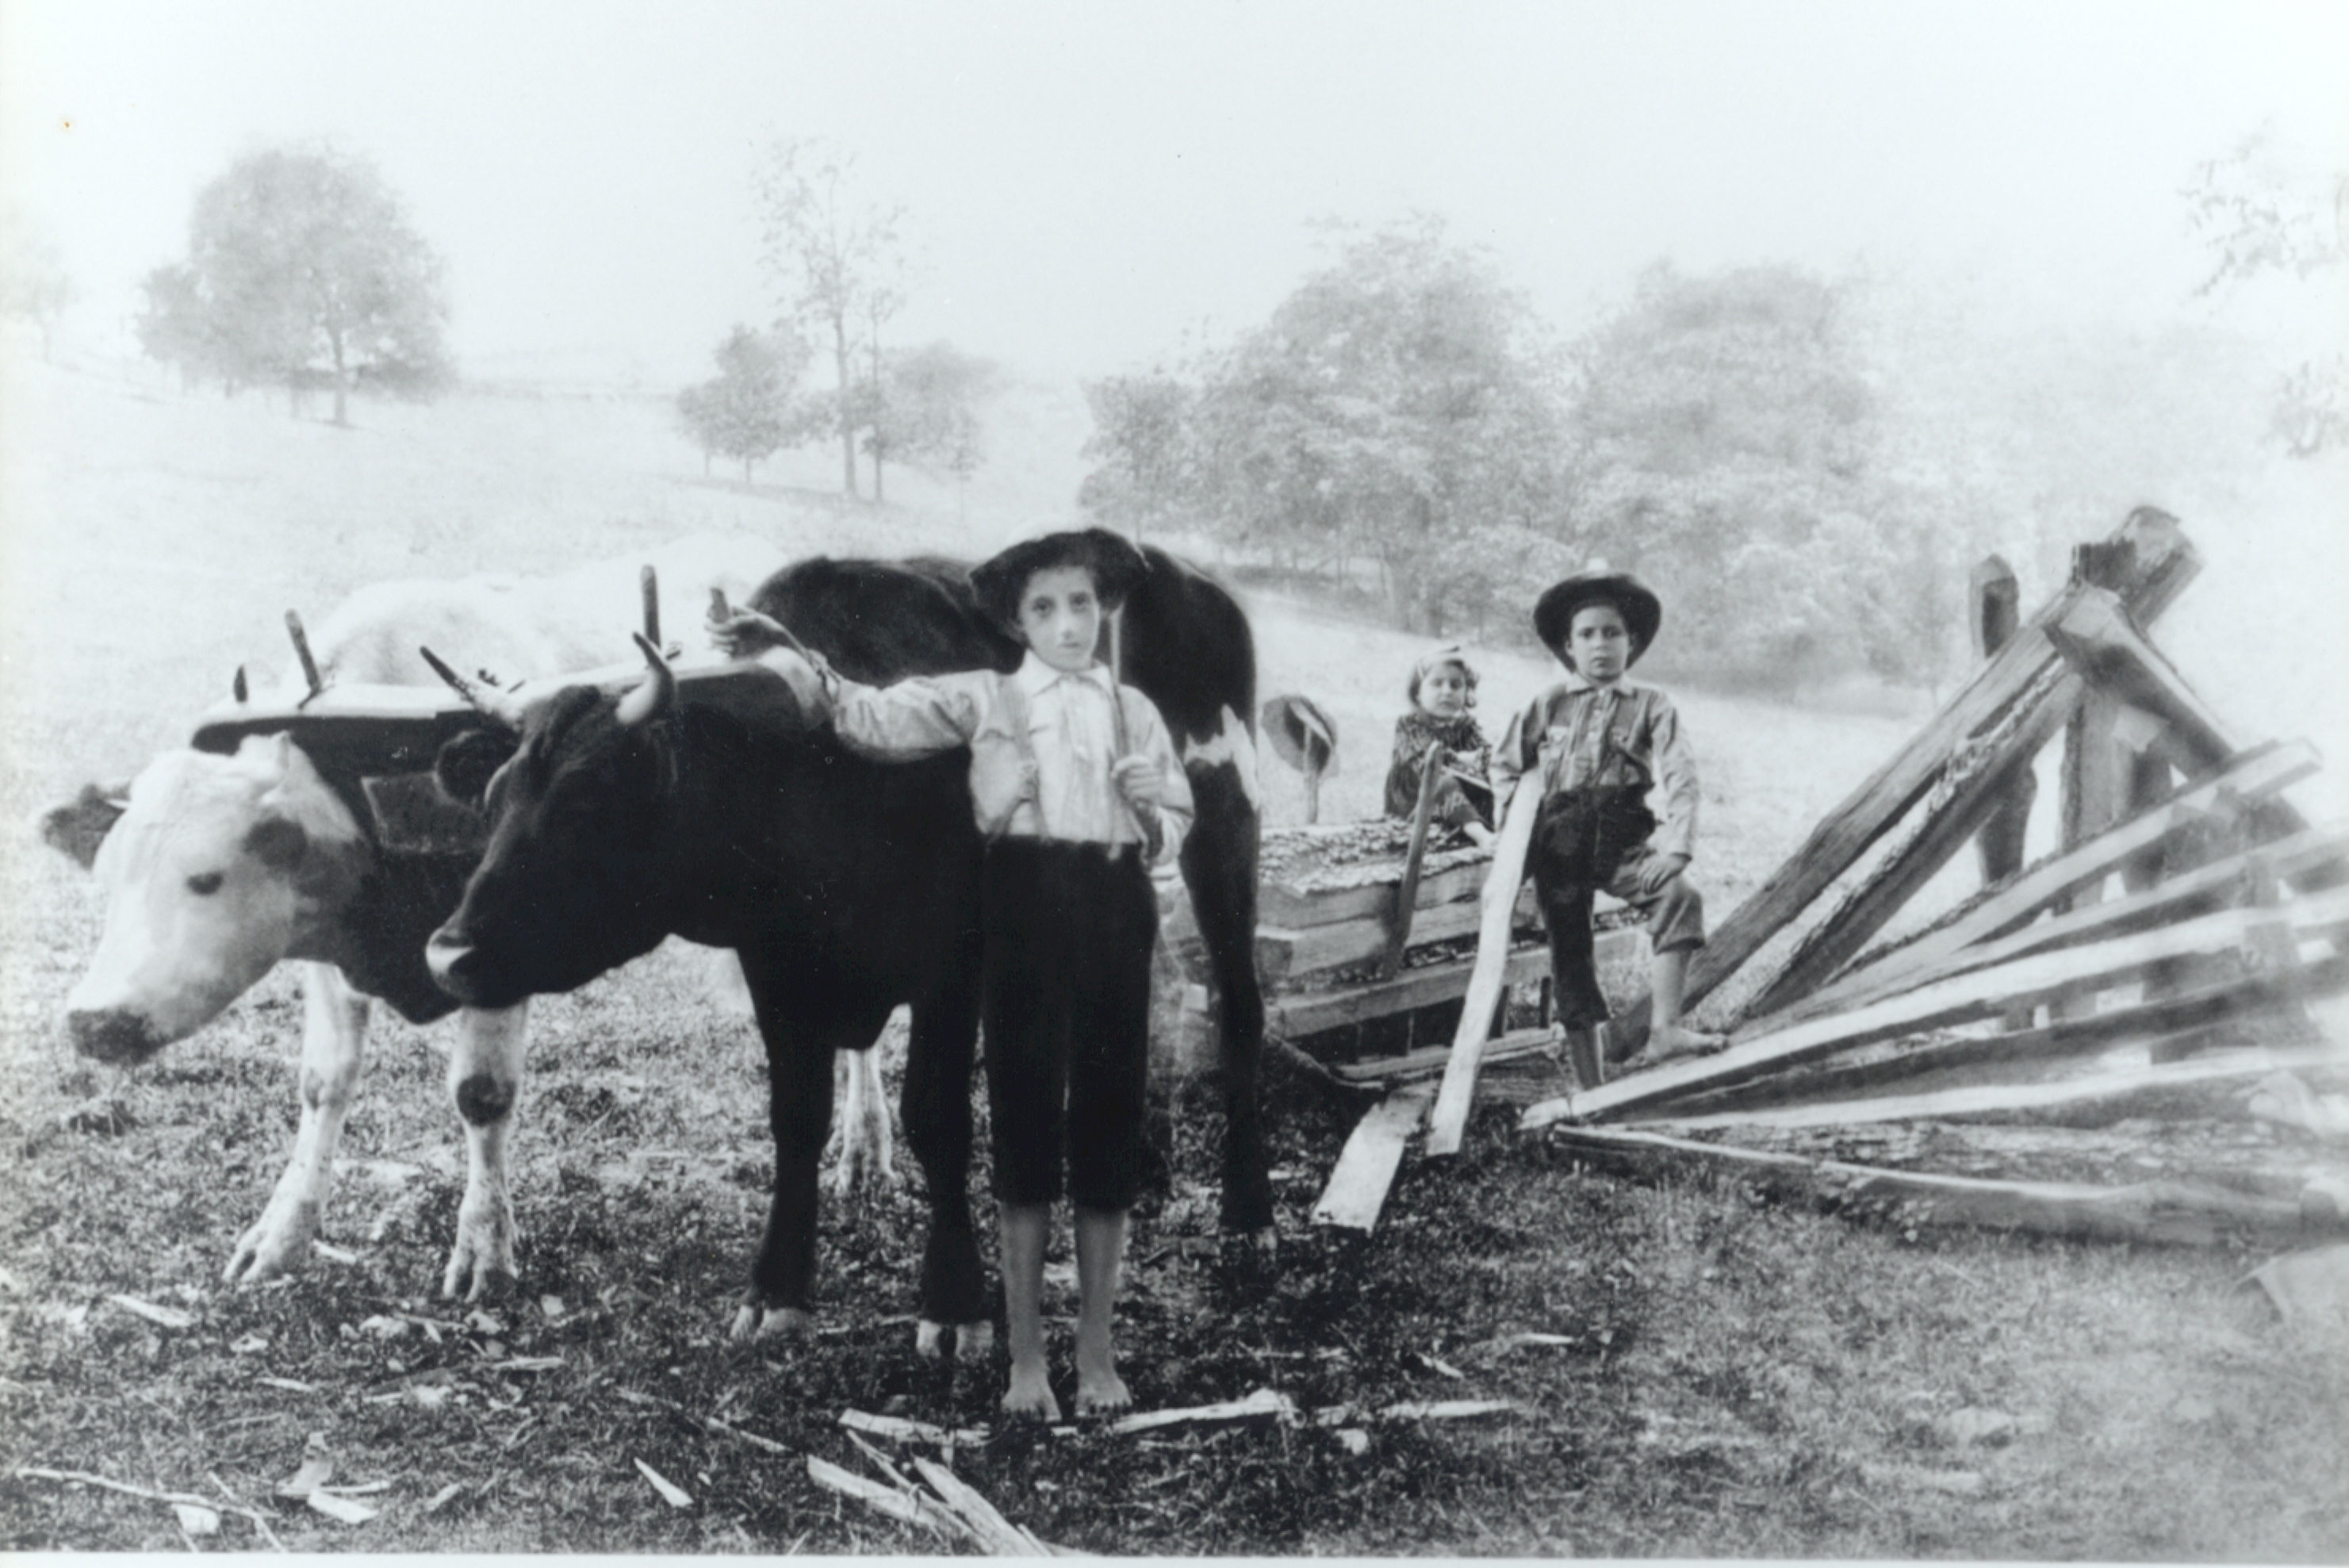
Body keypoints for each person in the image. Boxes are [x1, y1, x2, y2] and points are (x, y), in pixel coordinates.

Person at [710, 529, 1186, 1421]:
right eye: (1043, 608)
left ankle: (1097, 1348)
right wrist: (782, 648)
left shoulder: (1138, 716)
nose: (1067, 624)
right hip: (1020, 912)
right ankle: (1028, 1363)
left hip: (1116, 916)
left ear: (1103, 612)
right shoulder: (980, 695)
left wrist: (1153, 811)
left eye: (1082, 603)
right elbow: (862, 714)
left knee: (1108, 1126)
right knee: (1020, 1119)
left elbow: (1173, 829)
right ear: (1014, 623)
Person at [1490, 565, 1724, 1087]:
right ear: (1569, 646)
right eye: (1587, 634)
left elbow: (1681, 774)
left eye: (1612, 633)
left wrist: (1678, 849)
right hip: (1559, 845)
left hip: (1622, 843)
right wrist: (1515, 832)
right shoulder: (1546, 704)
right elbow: (1505, 764)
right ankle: (1593, 1087)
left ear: (1632, 641)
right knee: (1571, 958)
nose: (1600, 645)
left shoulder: (1651, 705)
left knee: (1680, 896)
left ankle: (1665, 1029)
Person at [1382, 643, 1495, 847]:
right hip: (1416, 813)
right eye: (1437, 683)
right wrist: (1458, 759)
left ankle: (1486, 832)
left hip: (1457, 813)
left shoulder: (1467, 728)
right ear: (1417, 692)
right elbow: (1425, 763)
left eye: (1455, 685)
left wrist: (1485, 760)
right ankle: (1482, 837)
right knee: (1442, 782)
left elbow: (1487, 755)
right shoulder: (1409, 727)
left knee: (1492, 787)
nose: (1447, 692)